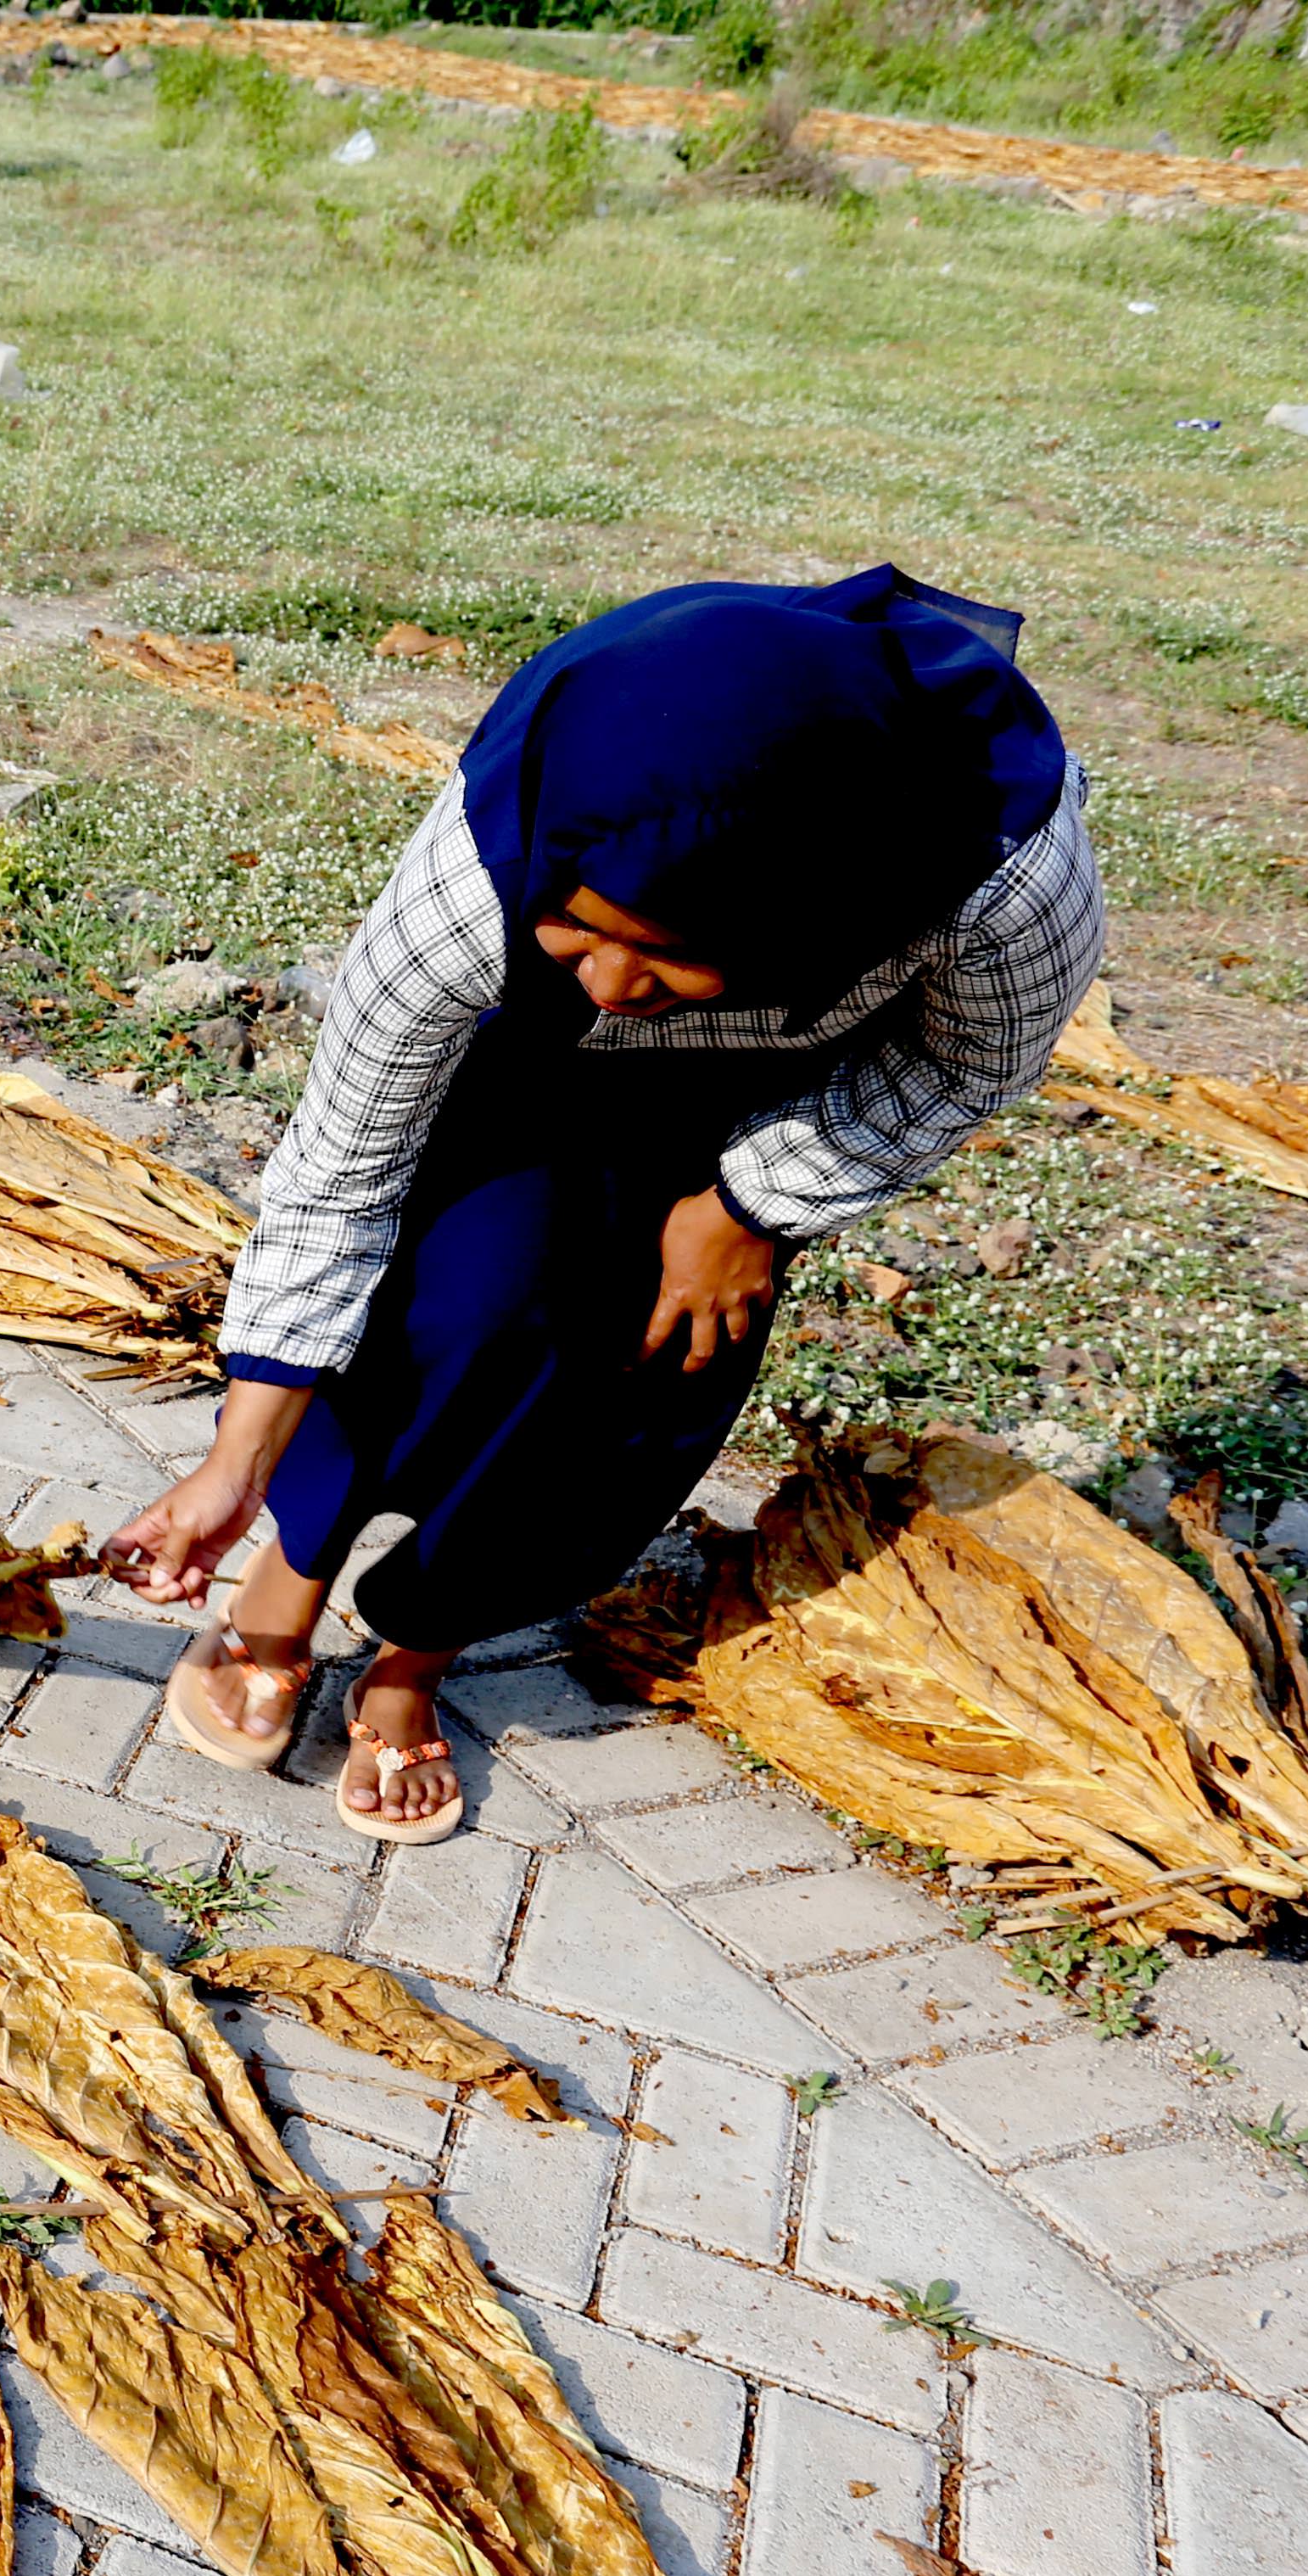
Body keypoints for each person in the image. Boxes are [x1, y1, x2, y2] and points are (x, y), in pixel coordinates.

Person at [103, 565, 1104, 1848]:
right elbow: (340, 1175)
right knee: (453, 1301)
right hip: (517, 1053)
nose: (616, 985)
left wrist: (752, 1201)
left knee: (640, 1365)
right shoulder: (484, 876)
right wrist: (229, 1467)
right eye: (585, 930)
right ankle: (282, 1583)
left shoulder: (1001, 882)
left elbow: (966, 1067)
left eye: (669, 954)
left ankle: (417, 1650)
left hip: (775, 1083)